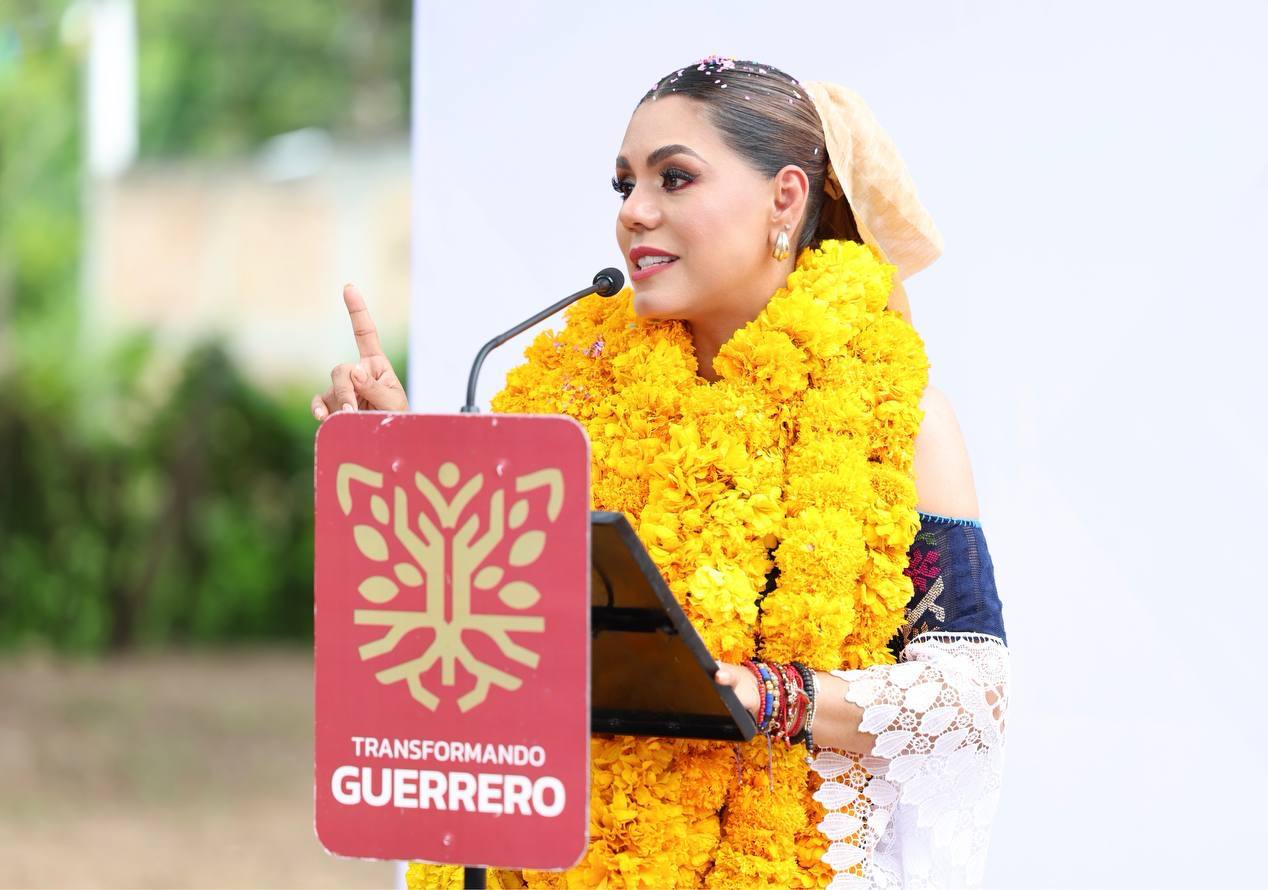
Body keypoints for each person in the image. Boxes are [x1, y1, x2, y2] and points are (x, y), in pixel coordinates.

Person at [313, 55, 1010, 890]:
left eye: (674, 178)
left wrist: (775, 697)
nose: (633, 213)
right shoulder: (567, 404)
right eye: (624, 185)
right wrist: (402, 458)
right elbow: (470, 638)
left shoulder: (896, 418)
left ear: (786, 198)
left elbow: (974, 696)